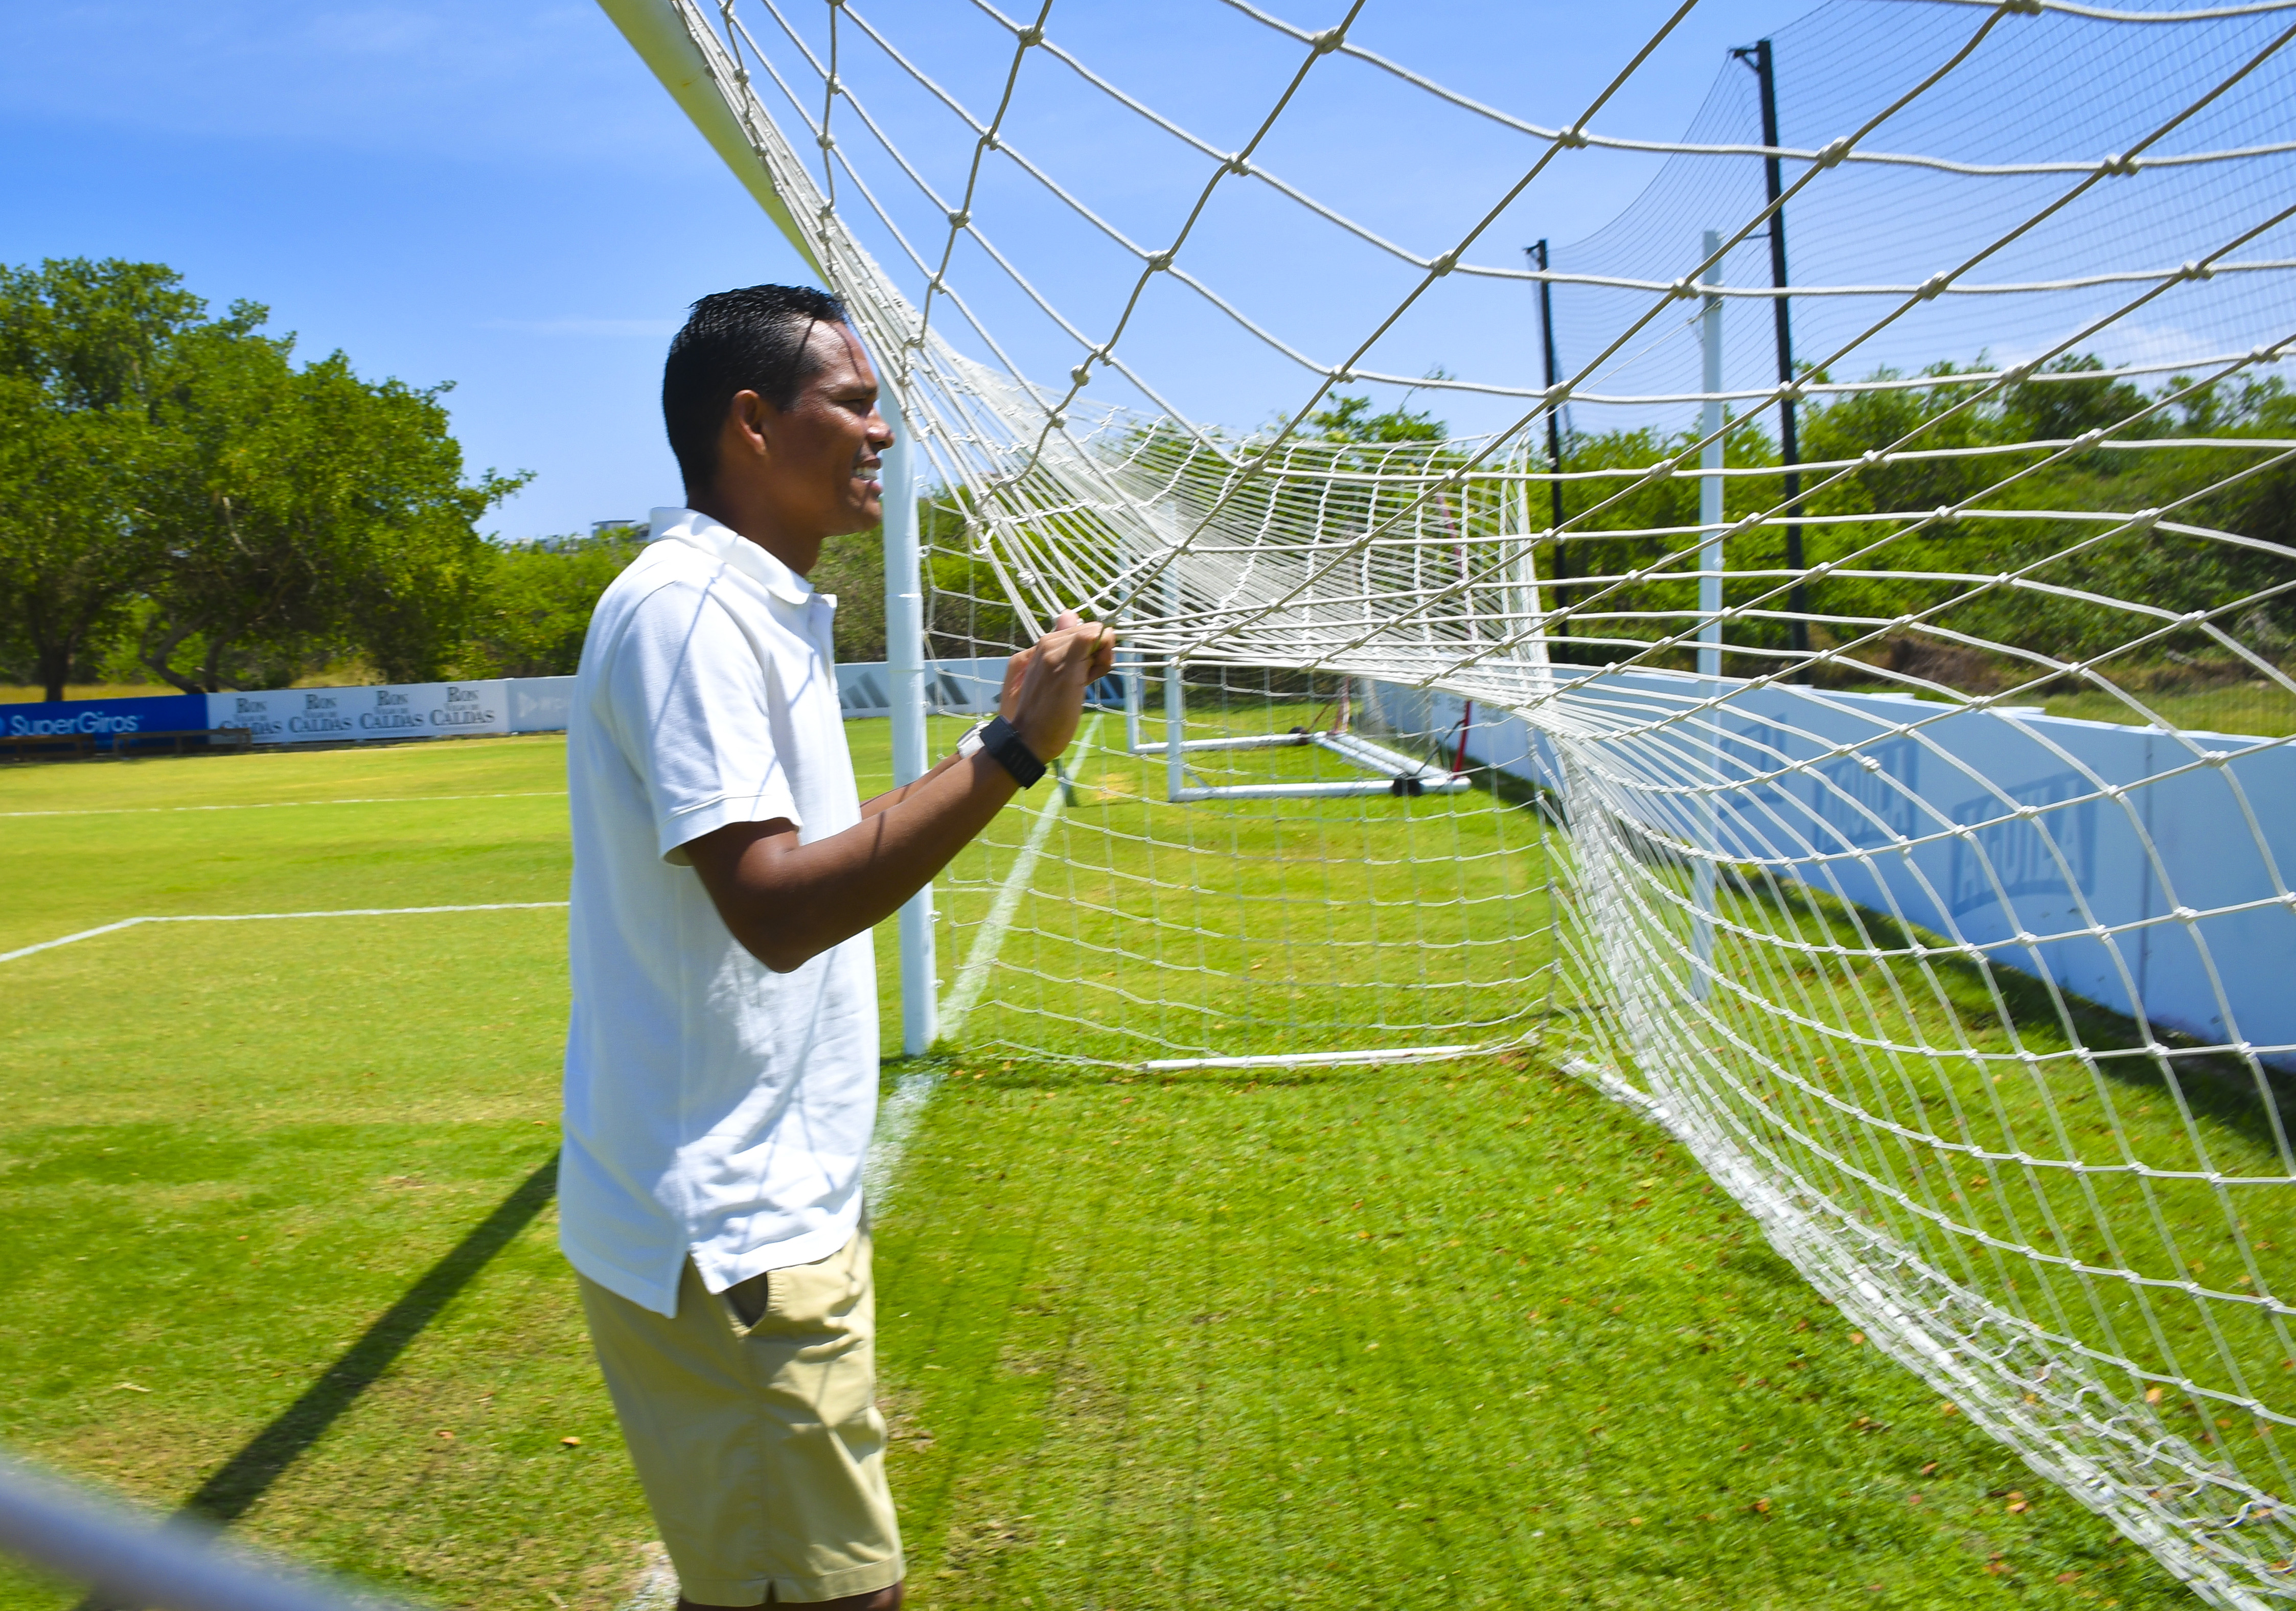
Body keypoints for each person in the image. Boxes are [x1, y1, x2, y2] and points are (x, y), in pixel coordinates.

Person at [560, 283, 1113, 1610]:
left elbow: (805, 854)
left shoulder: (754, 606)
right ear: (751, 422)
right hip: (728, 1228)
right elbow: (777, 905)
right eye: (854, 405)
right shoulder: (687, 612)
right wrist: (1005, 754)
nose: (881, 435)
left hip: (764, 1214)